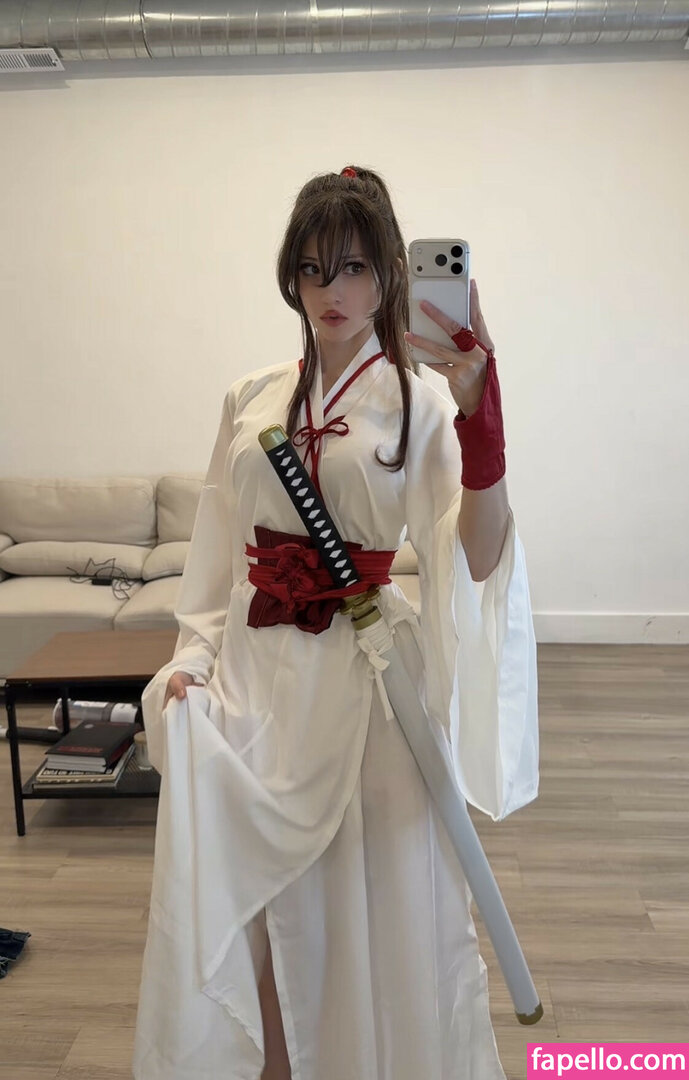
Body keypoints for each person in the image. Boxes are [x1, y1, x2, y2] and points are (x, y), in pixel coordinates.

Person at [132, 165, 539, 1080]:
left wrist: (480, 425)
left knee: (363, 907)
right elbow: (216, 544)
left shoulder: (422, 402)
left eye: (353, 267)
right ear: (292, 276)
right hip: (252, 679)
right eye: (313, 269)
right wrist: (192, 656)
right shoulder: (250, 396)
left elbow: (473, 558)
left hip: (364, 682)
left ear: (389, 273)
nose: (332, 290)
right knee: (250, 907)